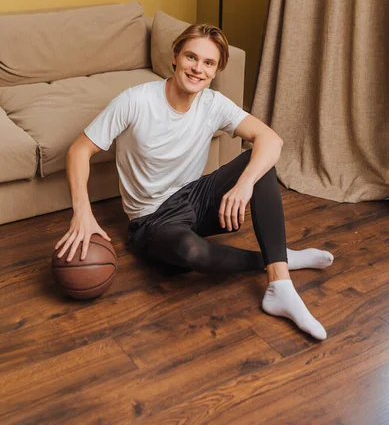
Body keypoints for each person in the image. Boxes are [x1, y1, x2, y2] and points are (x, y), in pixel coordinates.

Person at [55, 24, 333, 340]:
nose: (197, 69)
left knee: (260, 163)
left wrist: (244, 185)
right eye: (191, 57)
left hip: (194, 198)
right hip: (151, 221)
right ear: (175, 57)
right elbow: (79, 150)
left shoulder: (212, 103)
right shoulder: (135, 101)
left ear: (215, 71)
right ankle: (276, 258)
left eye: (208, 63)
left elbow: (271, 140)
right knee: (190, 253)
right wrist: (82, 212)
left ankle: (280, 285)